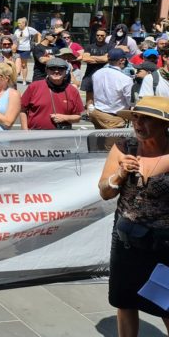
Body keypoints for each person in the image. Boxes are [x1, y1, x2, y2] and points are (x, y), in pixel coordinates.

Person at [98, 96, 169, 336]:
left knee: (166, 304)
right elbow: (104, 192)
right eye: (136, 117)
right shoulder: (123, 147)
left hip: (165, 244)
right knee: (125, 300)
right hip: (127, 240)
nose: (139, 123)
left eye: (147, 119)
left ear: (164, 125)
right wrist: (118, 174)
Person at [20, 57, 84, 129]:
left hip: (62, 136)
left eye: (60, 69)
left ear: (66, 71)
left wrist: (65, 118)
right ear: (46, 70)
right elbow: (22, 110)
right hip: (35, 135)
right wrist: (25, 131)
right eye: (52, 68)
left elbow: (78, 117)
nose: (56, 71)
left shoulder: (72, 90)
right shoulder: (34, 86)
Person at [89, 48, 132, 129]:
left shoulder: (97, 73)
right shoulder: (125, 79)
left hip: (97, 113)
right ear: (122, 60)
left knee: (100, 141)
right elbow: (130, 102)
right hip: (113, 118)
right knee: (115, 141)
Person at [13, 17, 39, 84]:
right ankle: (15, 78)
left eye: (20, 23)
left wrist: (37, 42)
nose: (18, 24)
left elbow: (38, 34)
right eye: (18, 23)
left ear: (24, 23)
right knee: (16, 64)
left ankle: (24, 80)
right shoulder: (17, 31)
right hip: (17, 49)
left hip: (25, 49)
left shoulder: (29, 29)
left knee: (24, 65)